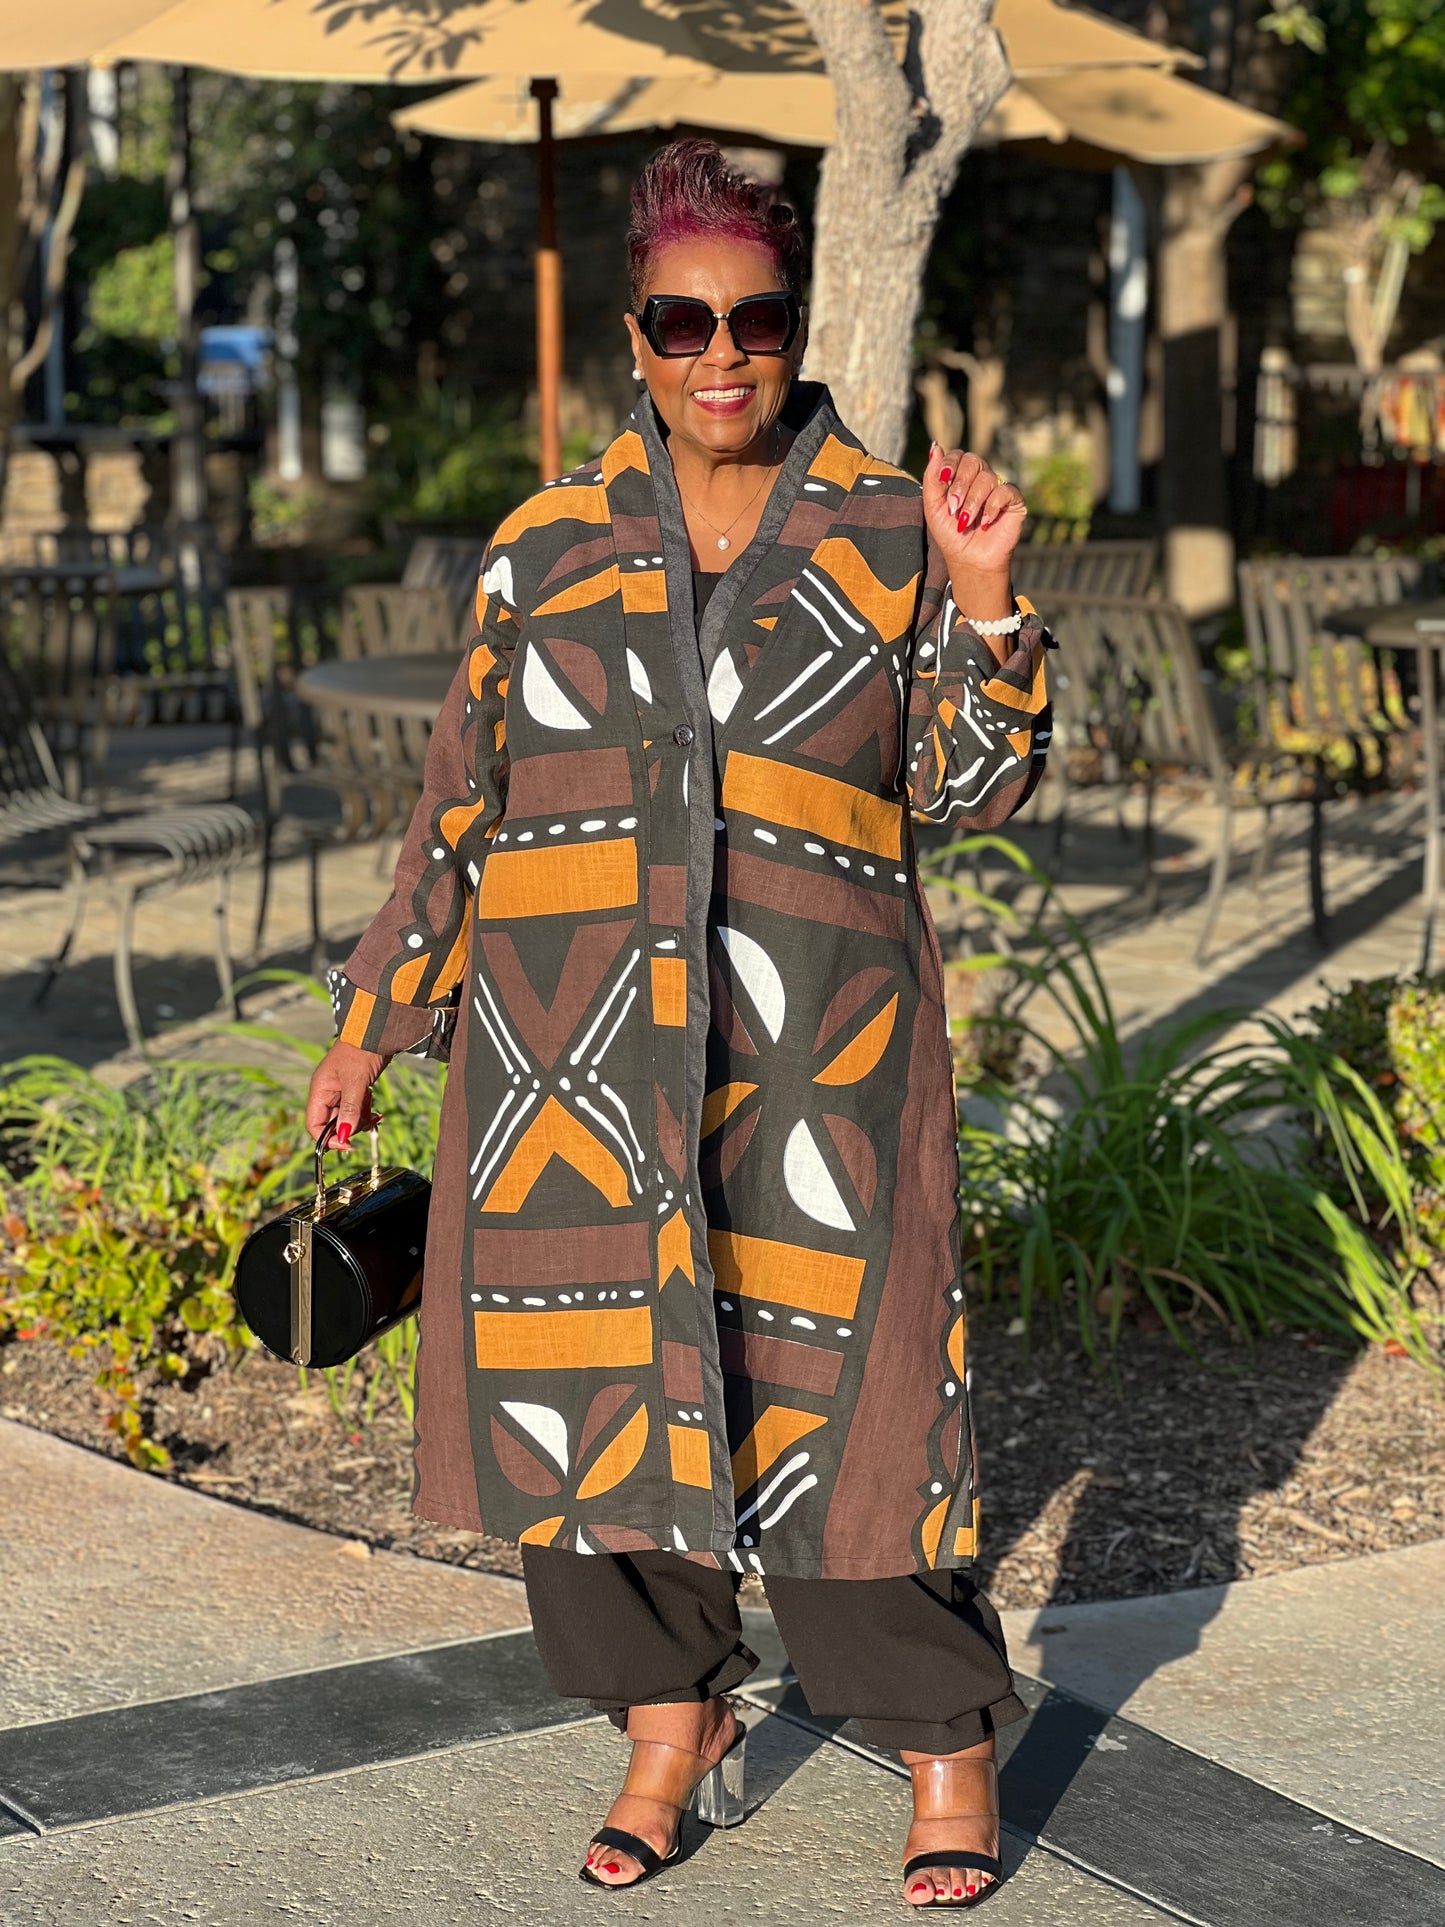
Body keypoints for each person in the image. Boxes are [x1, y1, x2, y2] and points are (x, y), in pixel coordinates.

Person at [306, 139, 1052, 1910]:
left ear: (794, 328)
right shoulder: (543, 545)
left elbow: (971, 791)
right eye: (680, 320)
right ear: (632, 337)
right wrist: (375, 1018)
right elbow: (462, 800)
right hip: (564, 1049)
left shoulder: (893, 528)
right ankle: (668, 1721)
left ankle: (944, 1743)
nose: (722, 353)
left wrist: (987, 603)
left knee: (852, 1406)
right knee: (590, 1405)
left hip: (818, 1054)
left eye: (755, 319)